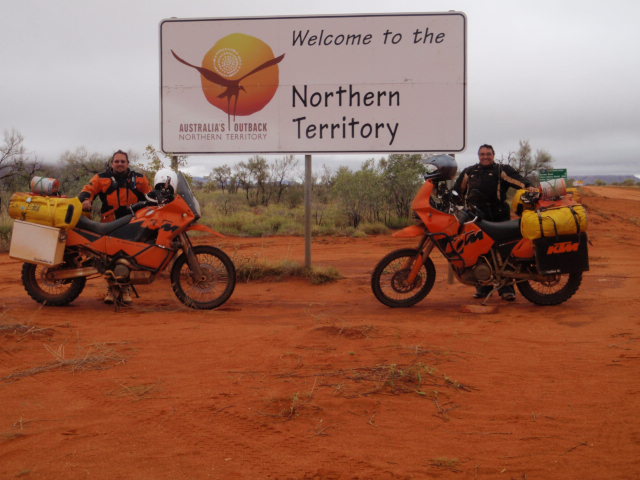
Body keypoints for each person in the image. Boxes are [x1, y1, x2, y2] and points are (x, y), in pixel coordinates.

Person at [453, 144, 537, 301]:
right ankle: (483, 288)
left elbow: (518, 180)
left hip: (498, 215)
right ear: (478, 155)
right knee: (480, 252)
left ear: (493, 155)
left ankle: (507, 289)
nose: (485, 156)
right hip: (476, 217)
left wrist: (529, 186)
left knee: (504, 252)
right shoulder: (470, 172)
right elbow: (458, 191)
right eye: (482, 154)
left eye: (488, 154)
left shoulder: (501, 170)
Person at [78, 150, 152, 304]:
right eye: (116, 161)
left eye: (122, 161)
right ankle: (111, 289)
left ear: (128, 163)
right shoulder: (101, 178)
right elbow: (87, 190)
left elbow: (150, 195)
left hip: (132, 223)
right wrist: (86, 200)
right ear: (112, 163)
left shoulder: (139, 179)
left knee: (129, 256)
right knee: (108, 258)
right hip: (109, 222)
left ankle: (125, 289)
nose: (119, 164)